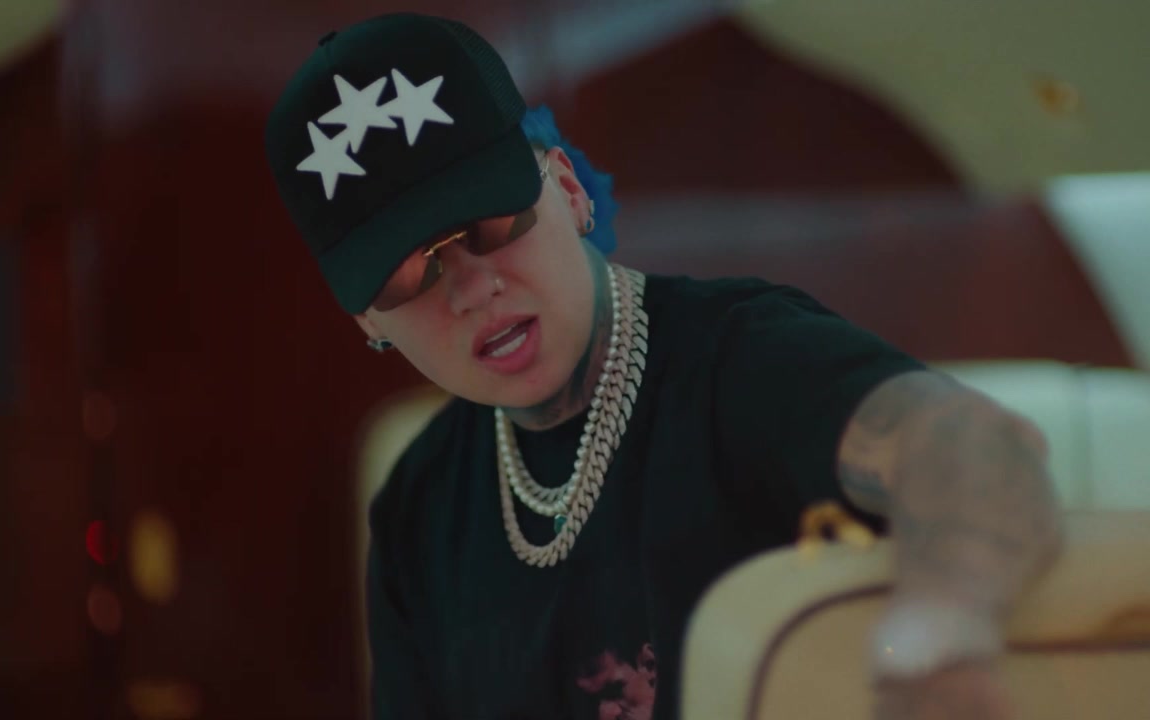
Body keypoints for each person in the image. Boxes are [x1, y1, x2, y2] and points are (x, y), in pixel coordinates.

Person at [264, 12, 1063, 720]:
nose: (472, 287)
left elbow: (974, 448)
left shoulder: (739, 362)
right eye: (409, 274)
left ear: (568, 190)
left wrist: (936, 642)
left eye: (492, 222)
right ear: (369, 320)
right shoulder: (419, 508)